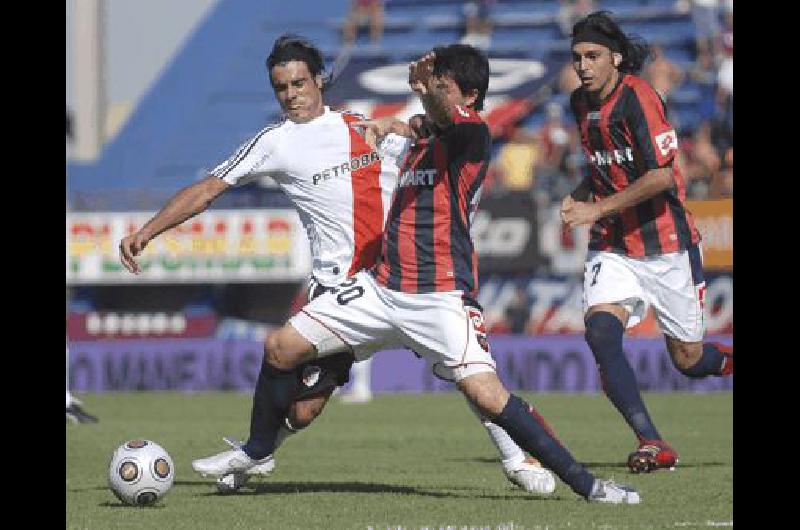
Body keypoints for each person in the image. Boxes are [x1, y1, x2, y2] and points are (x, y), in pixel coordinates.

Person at [190, 43, 641, 504]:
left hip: (439, 296)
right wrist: (400, 120)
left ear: (466, 95)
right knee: (280, 346)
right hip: (379, 288)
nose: (432, 93)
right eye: (433, 86)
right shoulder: (424, 137)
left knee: (487, 395)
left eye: (443, 87)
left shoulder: (473, 136)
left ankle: (588, 485)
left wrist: (423, 95)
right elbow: (424, 124)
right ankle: (256, 451)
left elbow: (444, 119)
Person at [119, 35, 556, 495]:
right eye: (281, 87)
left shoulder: (360, 125)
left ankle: (517, 460)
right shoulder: (274, 142)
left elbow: (433, 137)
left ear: (320, 81)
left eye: (299, 83)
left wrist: (413, 121)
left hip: (404, 280)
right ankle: (256, 454)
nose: (291, 94)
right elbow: (207, 189)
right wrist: (148, 230)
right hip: (341, 292)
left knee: (465, 371)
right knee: (304, 410)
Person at [560, 11, 733, 473]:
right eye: (577, 57)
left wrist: (596, 207)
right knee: (600, 332)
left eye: (593, 56)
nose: (583, 65)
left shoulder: (639, 97)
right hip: (613, 245)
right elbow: (602, 167)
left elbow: (660, 176)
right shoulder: (579, 103)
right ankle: (653, 443)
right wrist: (579, 196)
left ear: (615, 58)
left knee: (690, 360)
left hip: (665, 245)